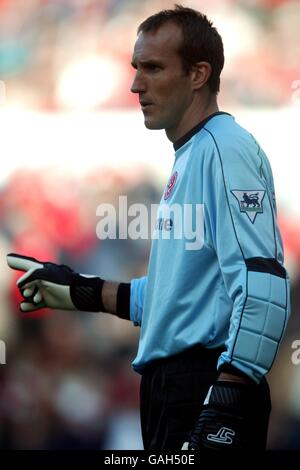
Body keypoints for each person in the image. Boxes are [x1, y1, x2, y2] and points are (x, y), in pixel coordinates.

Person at [7, 5, 290, 450]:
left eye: (153, 68)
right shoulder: (193, 153)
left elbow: (262, 283)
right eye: (136, 68)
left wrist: (228, 400)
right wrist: (84, 290)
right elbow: (178, 298)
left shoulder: (224, 147)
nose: (136, 84)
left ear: (199, 74)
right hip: (176, 390)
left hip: (203, 388)